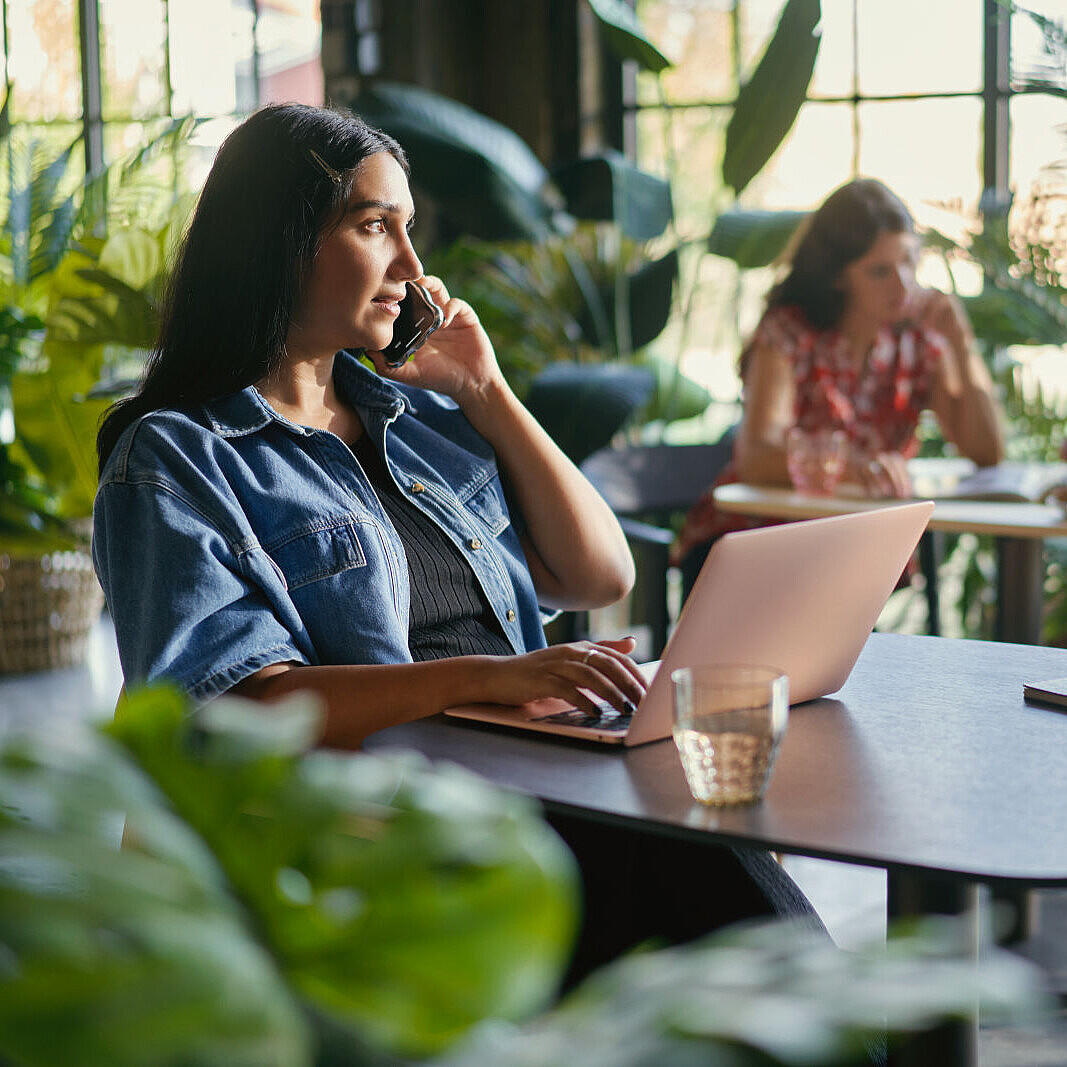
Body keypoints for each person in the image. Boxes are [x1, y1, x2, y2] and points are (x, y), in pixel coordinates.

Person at [93, 103, 819, 988]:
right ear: (277, 242)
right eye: (373, 226)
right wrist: (489, 678)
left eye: (410, 230)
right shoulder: (176, 456)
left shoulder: (425, 417)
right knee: (707, 893)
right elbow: (234, 708)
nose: (411, 265)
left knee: (707, 857)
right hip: (387, 823)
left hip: (525, 777)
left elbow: (597, 572)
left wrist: (486, 388)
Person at [672, 177, 1005, 581]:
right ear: (837, 276)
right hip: (750, 547)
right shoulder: (789, 333)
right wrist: (848, 466)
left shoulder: (917, 339)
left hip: (854, 550)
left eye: (910, 261)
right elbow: (757, 459)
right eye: (880, 270)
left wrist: (962, 342)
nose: (904, 284)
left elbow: (987, 451)